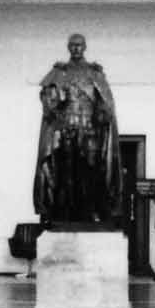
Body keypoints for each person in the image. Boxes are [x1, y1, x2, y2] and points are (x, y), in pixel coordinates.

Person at [32, 32, 121, 227]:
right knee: (65, 173)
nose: (76, 48)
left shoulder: (94, 72)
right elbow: (47, 98)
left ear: (85, 47)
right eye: (72, 45)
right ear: (68, 47)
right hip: (66, 130)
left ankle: (92, 211)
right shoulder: (59, 71)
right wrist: (51, 99)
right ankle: (63, 213)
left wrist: (103, 114)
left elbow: (106, 103)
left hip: (90, 132)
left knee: (90, 171)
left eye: (79, 45)